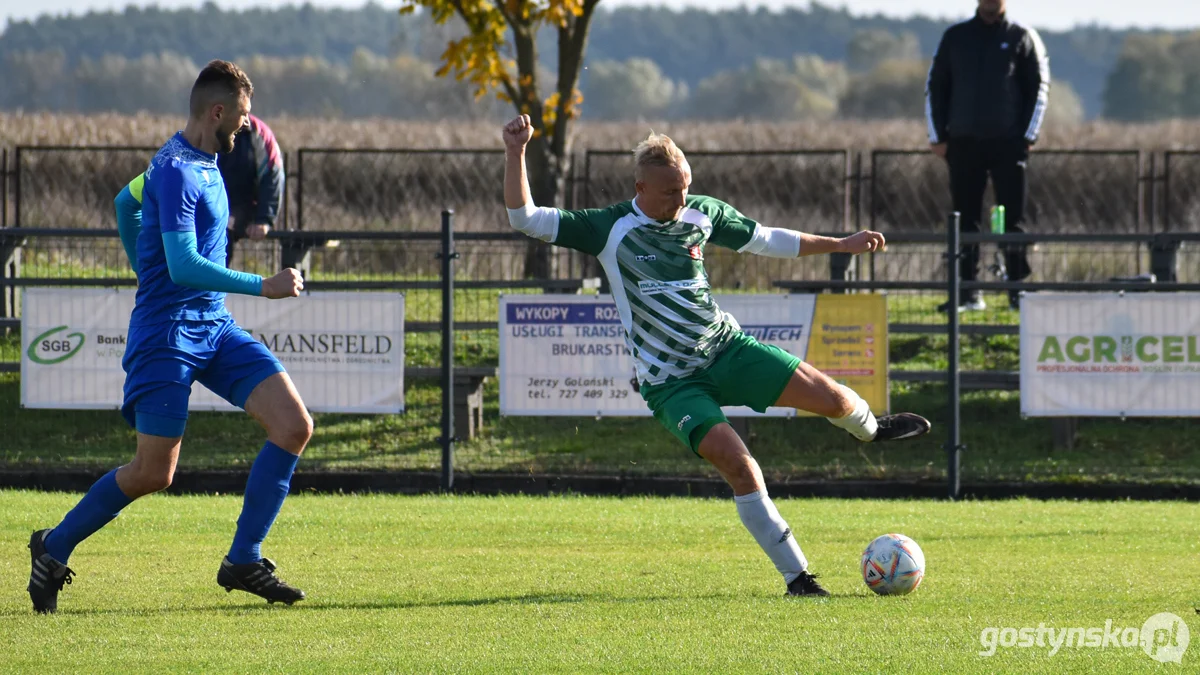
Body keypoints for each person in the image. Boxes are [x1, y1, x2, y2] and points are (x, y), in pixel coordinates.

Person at [502, 114, 932, 597]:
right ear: (640, 186)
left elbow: (767, 239)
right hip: (672, 383)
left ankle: (873, 431)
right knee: (740, 465)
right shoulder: (609, 228)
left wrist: (841, 244)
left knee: (833, 399)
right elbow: (525, 219)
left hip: (727, 349)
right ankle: (800, 580)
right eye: (669, 192)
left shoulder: (701, 214)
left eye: (685, 188)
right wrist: (517, 152)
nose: (680, 200)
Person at [27, 60, 311, 614]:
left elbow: (123, 203)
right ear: (217, 111)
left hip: (213, 324)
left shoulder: (202, 163)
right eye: (244, 116)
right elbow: (182, 265)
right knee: (154, 472)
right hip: (166, 336)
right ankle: (53, 546)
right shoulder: (177, 170)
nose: (248, 127)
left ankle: (243, 559)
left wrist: (142, 266)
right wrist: (264, 285)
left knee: (294, 425)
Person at [925, 0, 1050, 311]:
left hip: (1009, 145)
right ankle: (967, 293)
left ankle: (1016, 292)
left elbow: (1039, 87)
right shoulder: (955, 37)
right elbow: (935, 86)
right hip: (964, 144)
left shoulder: (1023, 36)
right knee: (965, 221)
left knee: (1013, 222)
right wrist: (937, 136)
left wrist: (1027, 136)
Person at [220, 113, 285, 266]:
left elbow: (272, 175)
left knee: (224, 228)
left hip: (244, 205)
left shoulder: (257, 133)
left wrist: (264, 219)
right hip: (211, 202)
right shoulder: (204, 131)